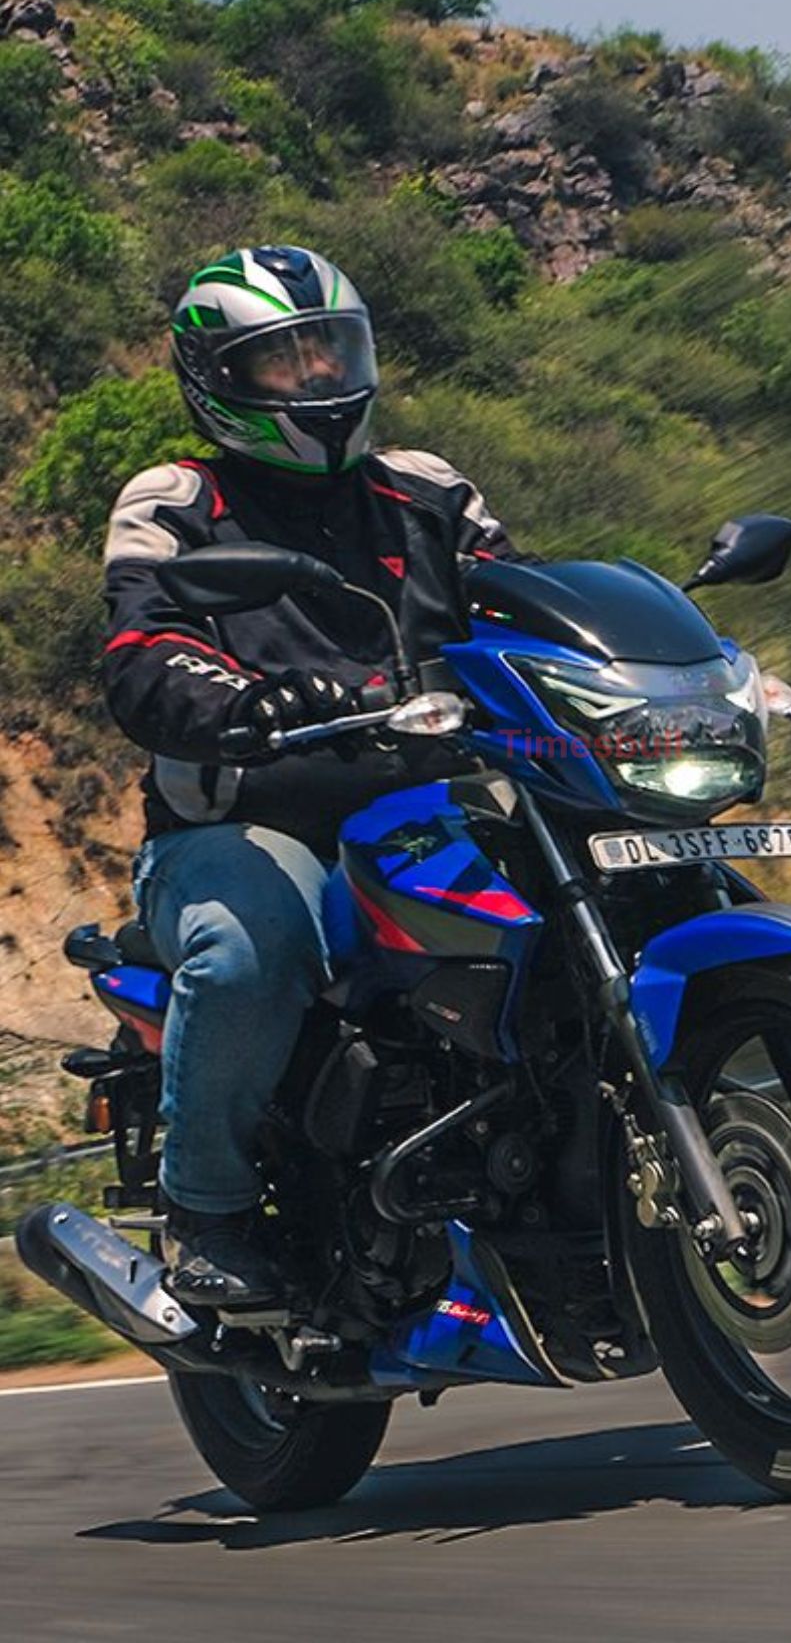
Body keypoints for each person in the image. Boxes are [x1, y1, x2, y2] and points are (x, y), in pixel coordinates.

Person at [102, 245, 519, 1307]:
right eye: (284, 360)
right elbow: (142, 652)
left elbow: (527, 604)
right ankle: (209, 1211)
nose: (318, 377)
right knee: (252, 948)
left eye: (331, 349)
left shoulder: (430, 491)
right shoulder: (177, 500)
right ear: (220, 380)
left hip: (440, 809)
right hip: (251, 823)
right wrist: (248, 704)